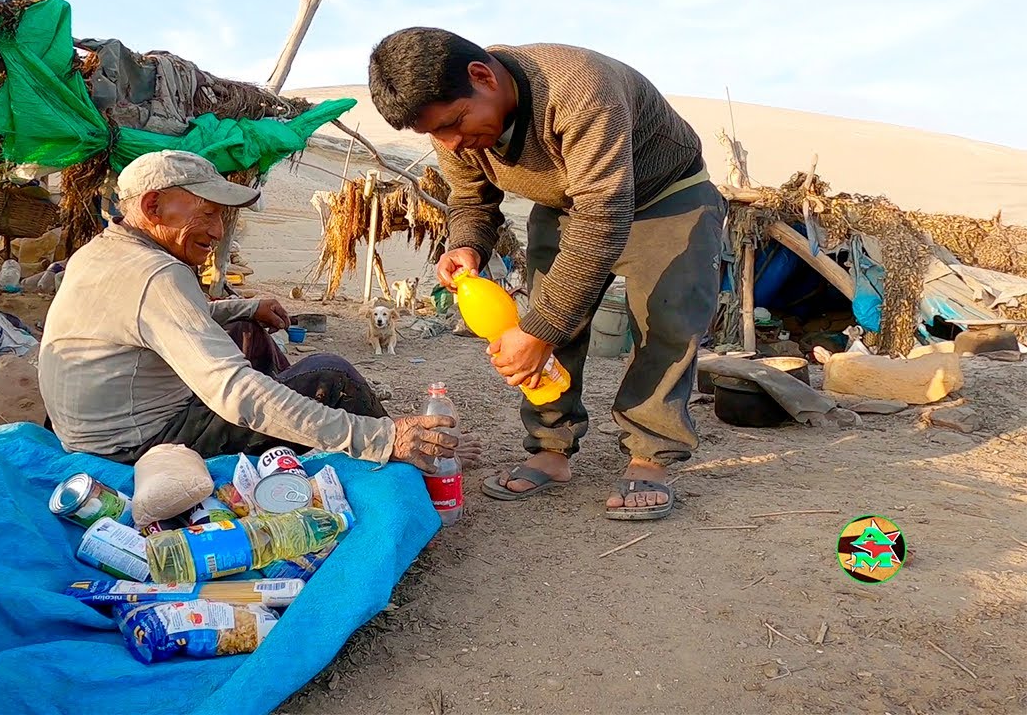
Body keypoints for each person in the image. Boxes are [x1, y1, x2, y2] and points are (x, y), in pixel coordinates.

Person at [368, 28, 726, 520]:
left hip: (668, 198)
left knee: (667, 322)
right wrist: (467, 245)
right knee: (551, 316)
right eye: (436, 135)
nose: (451, 143)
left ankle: (651, 455)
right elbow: (471, 200)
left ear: (482, 77)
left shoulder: (580, 89)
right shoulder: (455, 134)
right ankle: (551, 450)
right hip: (565, 202)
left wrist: (540, 331)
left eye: (454, 123)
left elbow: (603, 217)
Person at [39, 149, 460, 472]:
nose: (218, 232)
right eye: (207, 214)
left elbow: (162, 322)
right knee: (329, 375)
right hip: (136, 448)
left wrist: (250, 306)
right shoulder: (158, 273)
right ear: (153, 207)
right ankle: (413, 449)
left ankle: (291, 406)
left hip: (88, 434)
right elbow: (235, 393)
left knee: (245, 328)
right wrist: (378, 437)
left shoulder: (104, 252)